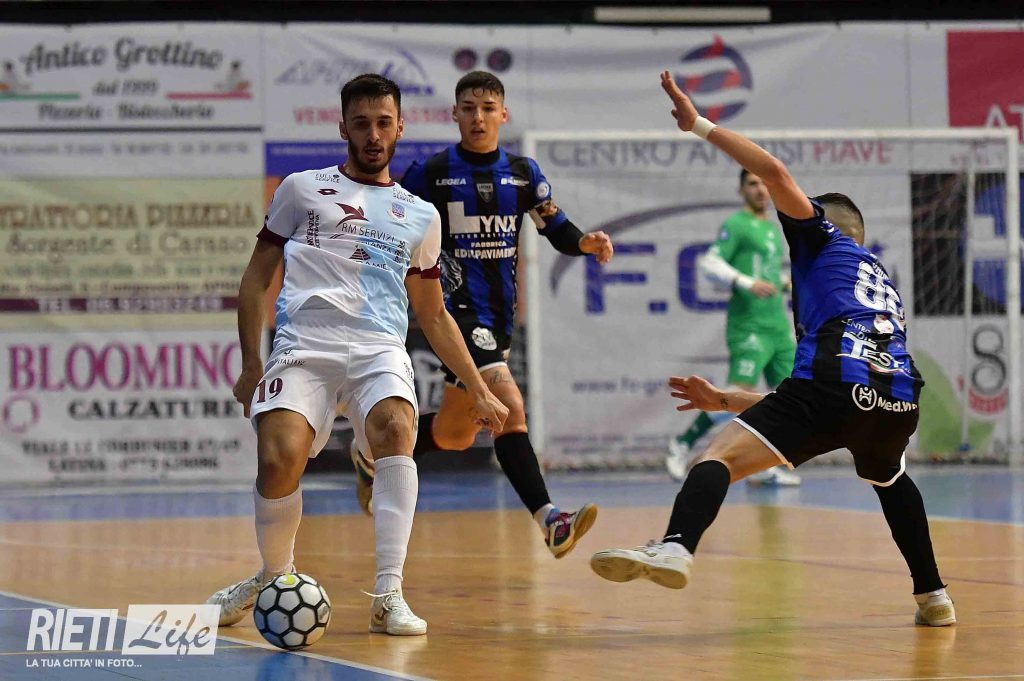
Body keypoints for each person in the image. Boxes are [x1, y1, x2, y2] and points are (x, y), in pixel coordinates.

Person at [589, 71, 955, 628]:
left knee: (717, 459)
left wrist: (698, 125)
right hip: (898, 397)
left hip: (835, 382)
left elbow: (775, 172)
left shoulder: (821, 237)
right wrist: (725, 399)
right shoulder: (877, 279)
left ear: (828, 222)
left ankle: (676, 545)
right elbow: (820, 401)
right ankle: (934, 596)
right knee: (890, 478)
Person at [206, 74, 508, 637]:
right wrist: (251, 363)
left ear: (400, 128)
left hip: (378, 349)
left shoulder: (420, 215)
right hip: (304, 346)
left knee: (397, 428)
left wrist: (478, 387)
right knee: (278, 457)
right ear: (343, 127)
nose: (373, 135)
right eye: (362, 123)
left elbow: (434, 314)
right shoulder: (301, 189)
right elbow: (255, 280)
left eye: (383, 123)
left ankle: (388, 594)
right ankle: (274, 578)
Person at [350, 70, 613, 558]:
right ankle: (550, 520)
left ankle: (371, 454)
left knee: (454, 434)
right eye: (468, 108)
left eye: (488, 108)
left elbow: (555, 227)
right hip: (453, 312)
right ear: (455, 114)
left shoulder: (523, 173)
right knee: (508, 405)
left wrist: (584, 242)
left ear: (503, 114)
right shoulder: (432, 172)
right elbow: (390, 220)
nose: (478, 117)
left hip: (498, 317)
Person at [666, 170, 800, 486]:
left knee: (787, 398)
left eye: (764, 183)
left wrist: (784, 284)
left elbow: (766, 273)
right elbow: (709, 263)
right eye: (752, 184)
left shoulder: (771, 229)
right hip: (749, 325)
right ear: (741, 190)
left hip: (778, 326)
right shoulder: (737, 224)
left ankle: (762, 466)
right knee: (739, 392)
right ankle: (682, 443)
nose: (760, 190)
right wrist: (744, 281)